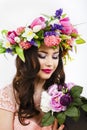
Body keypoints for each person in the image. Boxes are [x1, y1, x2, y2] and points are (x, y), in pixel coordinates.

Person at [0, 9, 86, 130]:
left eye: (55, 56)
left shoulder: (62, 96)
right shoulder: (9, 95)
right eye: (42, 56)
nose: (50, 63)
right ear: (28, 58)